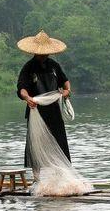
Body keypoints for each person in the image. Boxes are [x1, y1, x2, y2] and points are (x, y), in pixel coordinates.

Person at [16, 30, 71, 182]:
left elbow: (65, 81)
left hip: (54, 110)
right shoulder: (28, 67)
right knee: (36, 143)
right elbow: (22, 88)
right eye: (41, 53)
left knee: (58, 142)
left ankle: (60, 176)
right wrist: (27, 98)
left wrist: (67, 91)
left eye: (46, 53)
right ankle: (36, 178)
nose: (44, 55)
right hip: (36, 110)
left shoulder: (54, 66)